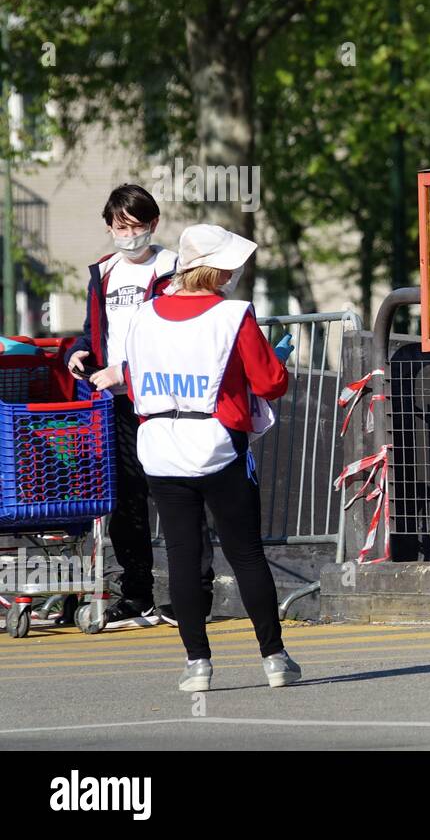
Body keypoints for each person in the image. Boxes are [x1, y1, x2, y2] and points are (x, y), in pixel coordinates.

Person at [113, 224, 299, 691]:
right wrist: (275, 359)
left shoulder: (143, 314)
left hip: (159, 445)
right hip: (218, 443)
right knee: (246, 554)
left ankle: (197, 664)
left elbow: (134, 383)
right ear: (217, 270)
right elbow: (271, 383)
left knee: (182, 555)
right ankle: (274, 657)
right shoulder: (233, 315)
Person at [66, 185, 178, 630]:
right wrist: (79, 351)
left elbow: (173, 338)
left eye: (135, 226)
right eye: (118, 226)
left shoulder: (172, 269)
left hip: (164, 398)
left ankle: (193, 592)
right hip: (116, 404)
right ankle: (137, 596)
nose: (126, 234)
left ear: (151, 224)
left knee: (175, 496)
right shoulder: (105, 272)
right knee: (128, 502)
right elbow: (96, 329)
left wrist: (126, 370)